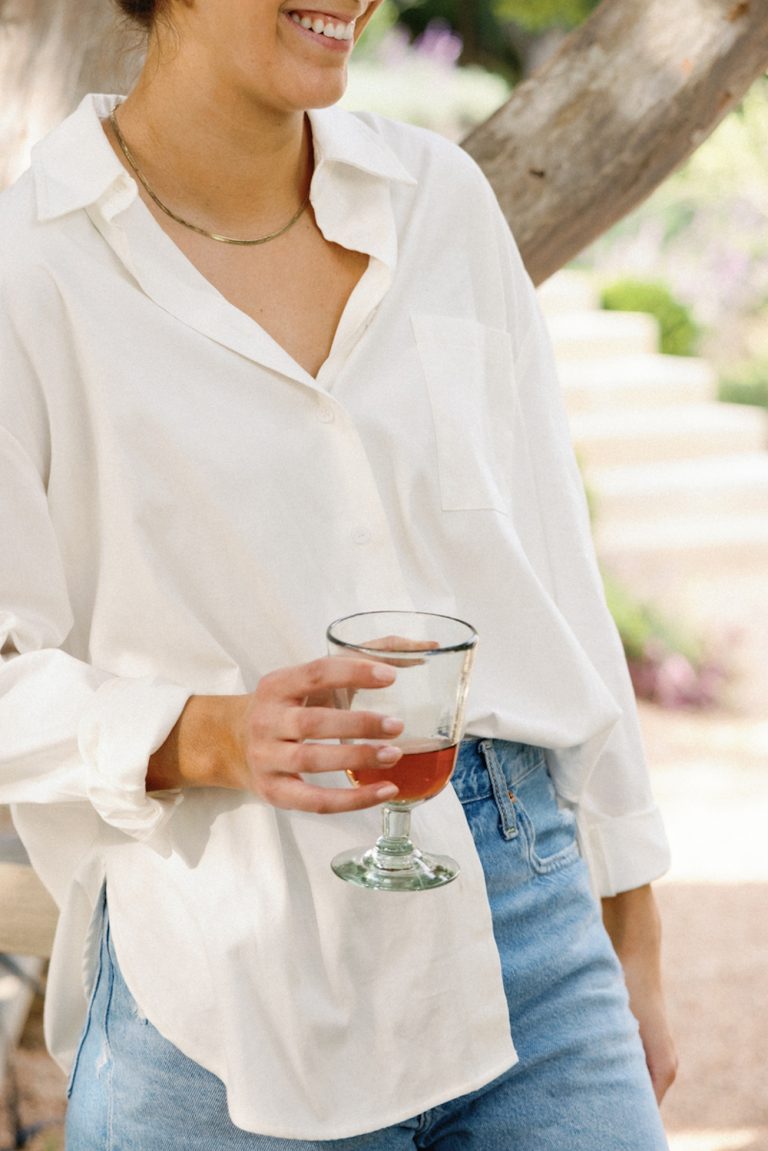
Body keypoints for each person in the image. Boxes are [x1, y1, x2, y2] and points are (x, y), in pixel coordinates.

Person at [0, 0, 677, 1146]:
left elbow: (552, 574)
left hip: (529, 925)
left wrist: (633, 931)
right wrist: (199, 732)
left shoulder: (440, 204)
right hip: (224, 979)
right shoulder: (33, 265)